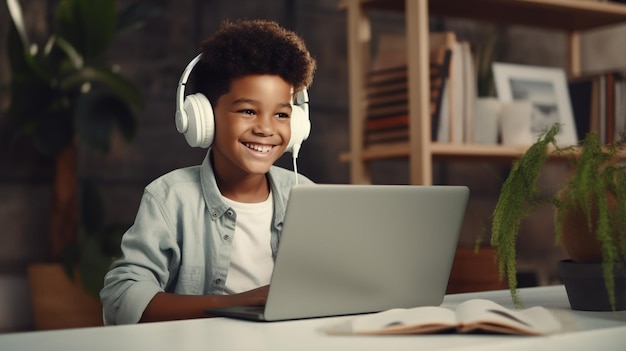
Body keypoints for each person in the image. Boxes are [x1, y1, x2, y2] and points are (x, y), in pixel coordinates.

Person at [100, 19, 317, 325]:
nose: (266, 128)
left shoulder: (305, 193)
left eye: (282, 114)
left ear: (296, 125)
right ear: (203, 118)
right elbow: (121, 299)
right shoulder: (170, 198)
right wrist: (235, 303)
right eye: (248, 111)